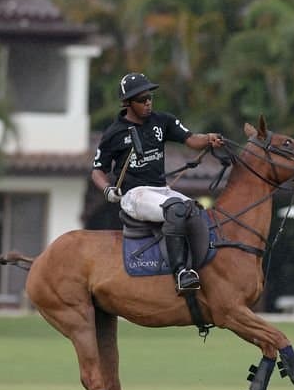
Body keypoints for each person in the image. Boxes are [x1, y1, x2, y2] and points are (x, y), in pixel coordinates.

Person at [90, 72, 225, 292]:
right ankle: (181, 273)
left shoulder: (163, 121)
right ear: (127, 103)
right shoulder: (114, 133)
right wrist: (108, 190)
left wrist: (208, 138)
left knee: (196, 210)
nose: (148, 103)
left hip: (161, 190)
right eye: (142, 99)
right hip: (134, 195)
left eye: (150, 97)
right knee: (176, 210)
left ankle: (203, 269)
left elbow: (191, 140)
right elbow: (97, 170)